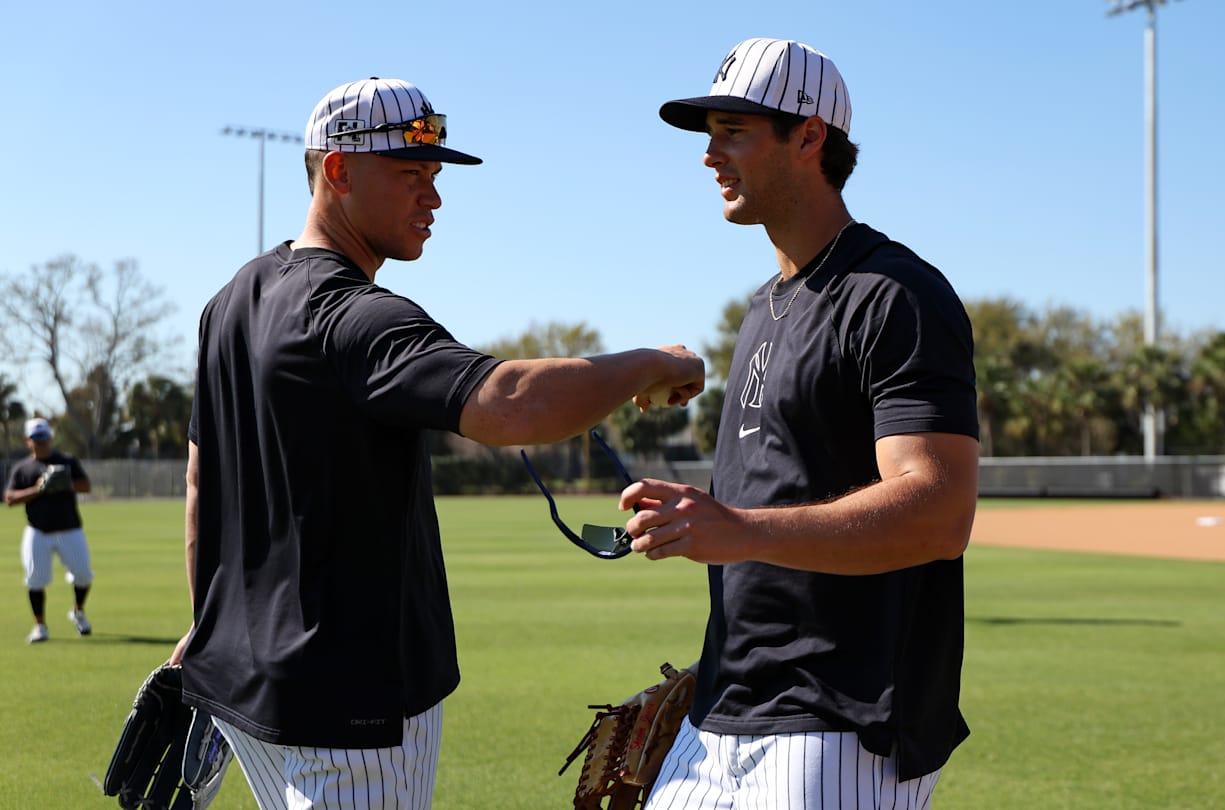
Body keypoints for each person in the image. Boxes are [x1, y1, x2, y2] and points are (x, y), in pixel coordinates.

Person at [171, 77, 704, 809]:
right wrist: (654, 362)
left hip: (247, 693)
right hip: (351, 711)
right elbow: (509, 406)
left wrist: (205, 631)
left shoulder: (233, 299)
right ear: (337, 170)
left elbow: (204, 481)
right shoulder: (356, 316)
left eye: (435, 175)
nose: (434, 196)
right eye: (410, 173)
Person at [620, 38, 980, 808]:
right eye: (710, 133)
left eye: (735, 131)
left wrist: (739, 528)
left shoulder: (894, 294)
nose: (711, 155)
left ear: (810, 136)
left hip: (841, 723)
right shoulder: (763, 305)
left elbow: (939, 511)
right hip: (724, 712)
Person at [6, 417, 93, 644]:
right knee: (35, 579)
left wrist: (66, 484)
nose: (41, 441)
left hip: (70, 528)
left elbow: (86, 486)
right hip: (38, 530)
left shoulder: (67, 462)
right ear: (28, 441)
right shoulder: (23, 468)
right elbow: (10, 498)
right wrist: (38, 489)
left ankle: (78, 611)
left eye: (44, 436)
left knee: (83, 575)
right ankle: (40, 625)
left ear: (50, 437)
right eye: (36, 437)